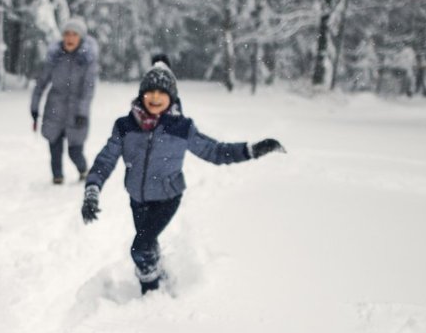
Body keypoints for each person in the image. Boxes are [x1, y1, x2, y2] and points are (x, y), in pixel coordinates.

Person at [81, 56, 284, 293]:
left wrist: (251, 150)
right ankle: (158, 270)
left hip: (168, 197)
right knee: (148, 242)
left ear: (172, 97)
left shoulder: (181, 128)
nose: (155, 98)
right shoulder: (125, 126)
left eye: (162, 93)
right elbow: (105, 160)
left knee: (140, 247)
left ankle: (152, 289)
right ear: (141, 95)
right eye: (150, 92)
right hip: (137, 199)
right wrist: (92, 190)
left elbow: (215, 151)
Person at [30, 17, 99, 184]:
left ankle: (83, 170)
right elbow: (40, 84)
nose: (69, 38)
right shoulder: (54, 57)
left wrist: (82, 112)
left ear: (80, 37)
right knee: (54, 146)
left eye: (74, 34)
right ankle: (57, 176)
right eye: (67, 34)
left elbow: (88, 90)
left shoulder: (87, 61)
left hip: (76, 110)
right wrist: (34, 107)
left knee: (75, 150)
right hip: (54, 108)